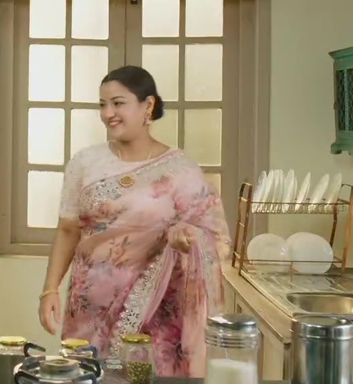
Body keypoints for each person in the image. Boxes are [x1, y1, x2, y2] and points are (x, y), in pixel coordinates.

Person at [38, 65, 231, 377]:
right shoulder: (85, 164)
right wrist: (49, 290)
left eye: (118, 103)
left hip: (153, 316)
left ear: (148, 106)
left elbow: (212, 235)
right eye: (102, 104)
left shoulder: (181, 171)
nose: (108, 113)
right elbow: (68, 229)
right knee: (88, 377)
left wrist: (186, 236)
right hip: (88, 310)